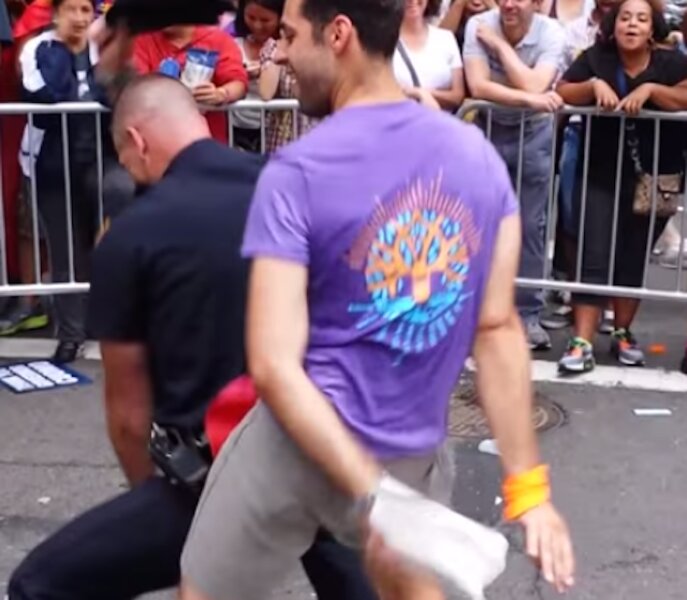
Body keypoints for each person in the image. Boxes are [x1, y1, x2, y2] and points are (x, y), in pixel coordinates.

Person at [170, 0, 574, 599]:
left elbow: (276, 367)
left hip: (300, 451)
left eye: (289, 35)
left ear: (339, 34)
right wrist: (527, 491)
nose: (280, 53)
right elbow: (497, 331)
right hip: (404, 454)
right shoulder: (478, 160)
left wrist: (376, 496)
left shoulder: (297, 172)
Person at [7, 73, 377, 600]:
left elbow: (129, 419)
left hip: (215, 478)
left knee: (36, 585)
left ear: (136, 142)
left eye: (126, 159)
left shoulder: (131, 237)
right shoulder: (294, 185)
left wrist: (162, 514)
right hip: (324, 455)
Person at [556, 0, 687, 373]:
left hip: (654, 176)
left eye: (641, 19)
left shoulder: (671, 63)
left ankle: (623, 332)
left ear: (652, 29)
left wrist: (651, 92)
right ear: (614, 26)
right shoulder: (596, 58)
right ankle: (582, 341)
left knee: (632, 255)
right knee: (592, 253)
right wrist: (593, 85)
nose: (632, 25)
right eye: (626, 18)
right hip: (598, 171)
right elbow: (564, 91)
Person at [19, 0, 134, 363]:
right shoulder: (38, 49)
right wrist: (66, 51)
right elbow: (46, 93)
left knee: (120, 199)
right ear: (55, 13)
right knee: (64, 247)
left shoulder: (106, 48)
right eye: (72, 9)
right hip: (52, 161)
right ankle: (70, 333)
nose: (81, 18)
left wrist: (97, 60)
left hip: (102, 157)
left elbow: (121, 92)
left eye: (87, 10)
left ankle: (110, 317)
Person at [463, 0, 566, 351]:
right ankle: (475, 311)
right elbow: (478, 86)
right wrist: (530, 97)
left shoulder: (551, 31)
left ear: (537, 3)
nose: (508, 4)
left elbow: (538, 85)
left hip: (533, 135)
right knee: (478, 222)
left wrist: (499, 46)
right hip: (488, 129)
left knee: (530, 225)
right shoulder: (479, 23)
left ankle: (527, 314)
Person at [133, 24, 248, 144]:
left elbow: (238, 82)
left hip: (207, 141)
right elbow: (134, 87)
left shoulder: (218, 39)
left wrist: (221, 94)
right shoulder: (142, 40)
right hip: (156, 141)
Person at [231, 0, 284, 151]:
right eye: (251, 18)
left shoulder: (285, 49)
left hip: (274, 128)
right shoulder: (233, 46)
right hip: (236, 125)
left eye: (265, 20)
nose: (257, 25)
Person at [394, 0, 465, 110]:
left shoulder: (446, 38)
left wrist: (421, 93)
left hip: (441, 123)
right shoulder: (384, 41)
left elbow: (457, 96)